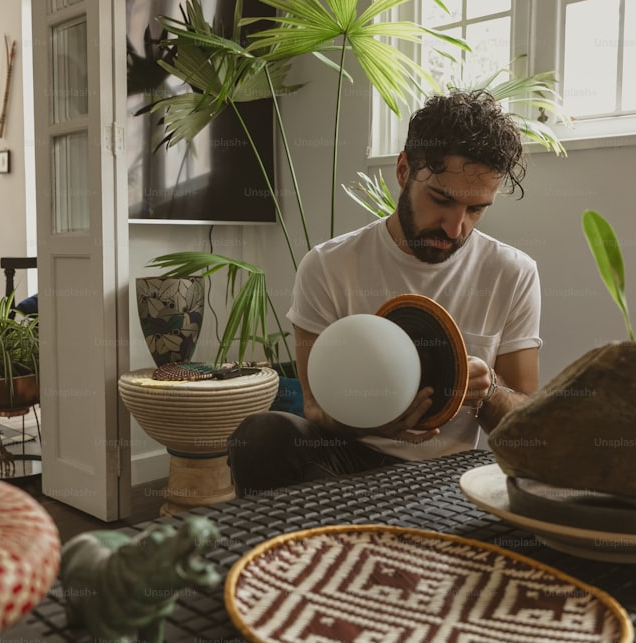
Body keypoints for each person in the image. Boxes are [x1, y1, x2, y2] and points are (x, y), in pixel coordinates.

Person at [227, 89, 542, 496]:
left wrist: (489, 391)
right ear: (404, 170)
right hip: (348, 460)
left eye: (476, 209)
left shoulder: (512, 273)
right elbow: (315, 407)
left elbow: (527, 428)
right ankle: (287, 556)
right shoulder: (328, 266)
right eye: (441, 199)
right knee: (262, 433)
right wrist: (374, 421)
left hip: (447, 477)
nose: (455, 227)